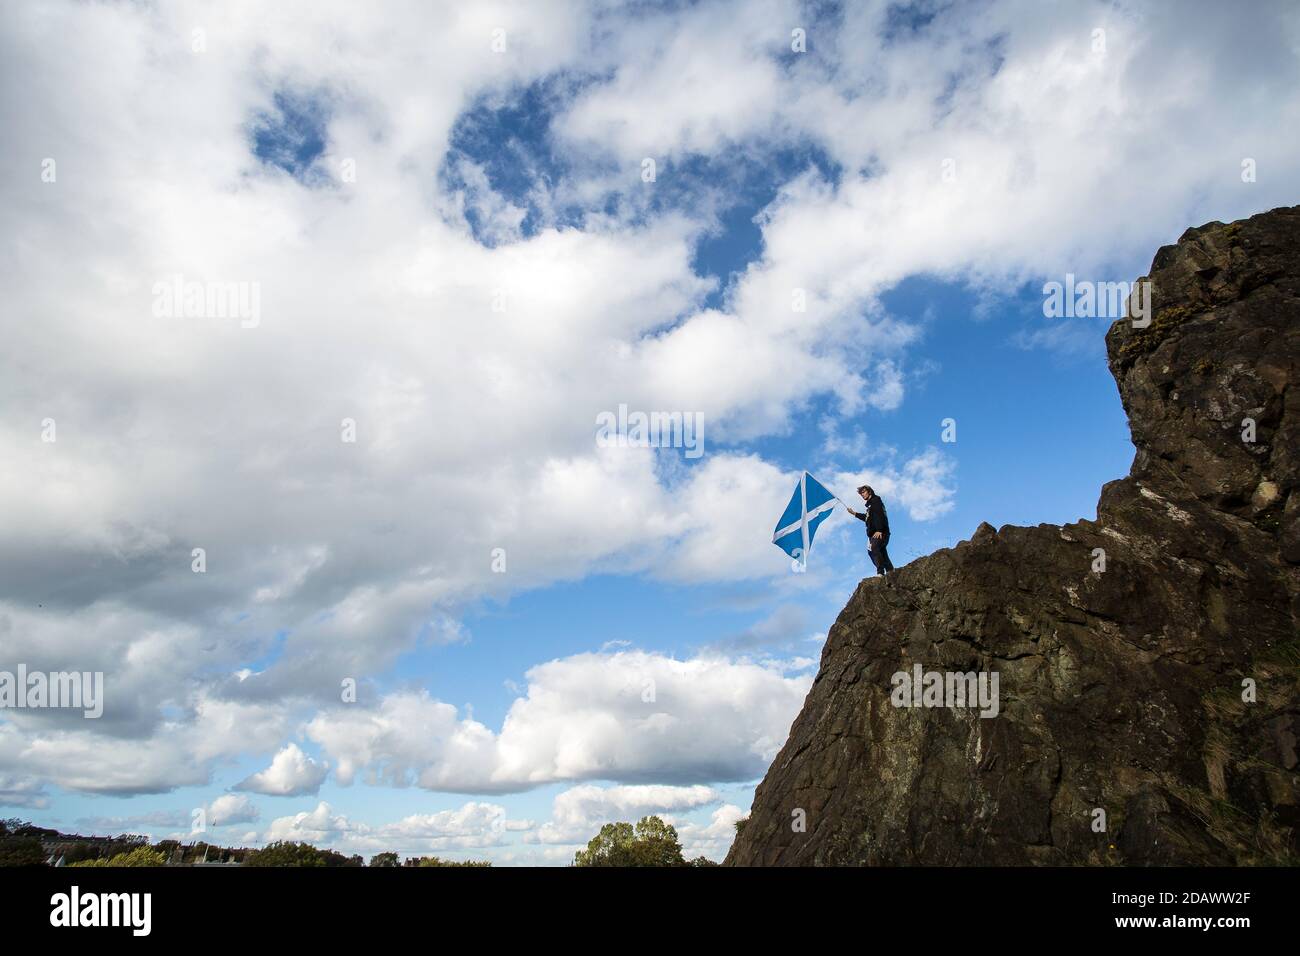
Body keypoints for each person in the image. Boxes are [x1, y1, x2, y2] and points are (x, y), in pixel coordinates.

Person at [846, 484, 895, 584]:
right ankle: (891, 571)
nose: (862, 495)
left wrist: (879, 530)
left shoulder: (876, 501)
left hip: (880, 532)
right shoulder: (870, 506)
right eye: (861, 494)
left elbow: (880, 515)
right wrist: (854, 513)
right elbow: (867, 518)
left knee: (874, 548)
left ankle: (880, 572)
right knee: (881, 552)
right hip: (875, 533)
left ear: (869, 491)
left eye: (863, 492)